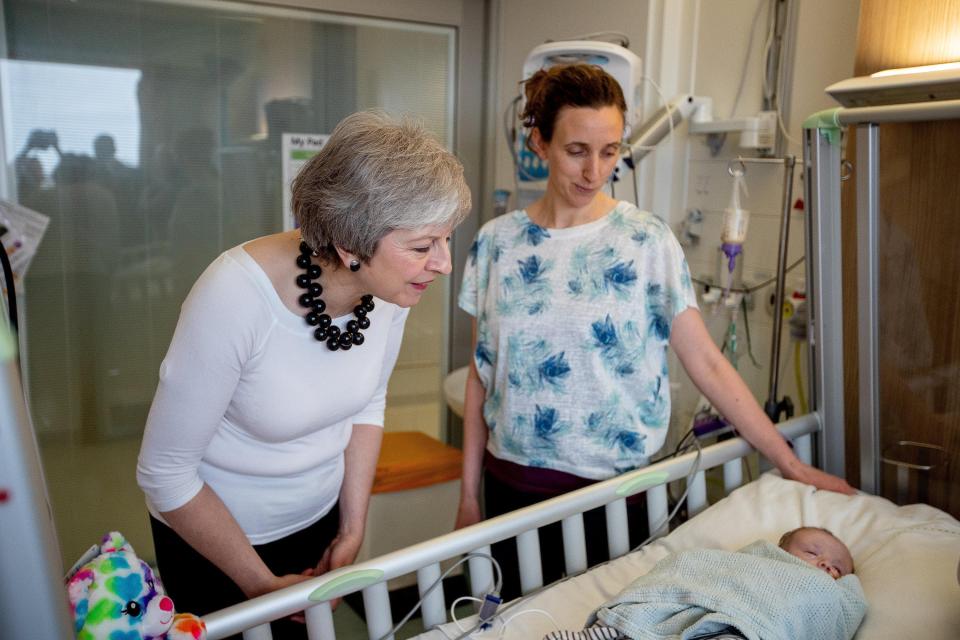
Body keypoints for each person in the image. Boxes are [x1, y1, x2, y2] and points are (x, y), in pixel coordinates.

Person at [455, 63, 855, 599]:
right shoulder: (496, 244)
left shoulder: (644, 242)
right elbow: (482, 376)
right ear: (539, 142)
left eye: (610, 151)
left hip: (615, 496)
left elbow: (707, 362)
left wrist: (787, 461)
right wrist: (468, 496)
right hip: (511, 487)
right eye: (577, 150)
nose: (594, 171)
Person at [137, 110, 471, 636]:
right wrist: (258, 583)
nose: (444, 264)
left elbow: (368, 402)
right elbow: (164, 474)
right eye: (424, 246)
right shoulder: (234, 296)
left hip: (320, 522)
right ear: (349, 246)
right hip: (218, 545)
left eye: (447, 240)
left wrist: (354, 523)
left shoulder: (390, 290)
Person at [545, 529, 863, 640]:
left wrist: (842, 585)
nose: (824, 564)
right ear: (778, 551)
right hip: (706, 603)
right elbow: (702, 572)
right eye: (812, 552)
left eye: (836, 568)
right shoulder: (755, 561)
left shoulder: (825, 593)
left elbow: (845, 610)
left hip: (746, 627)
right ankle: (610, 631)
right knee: (643, 619)